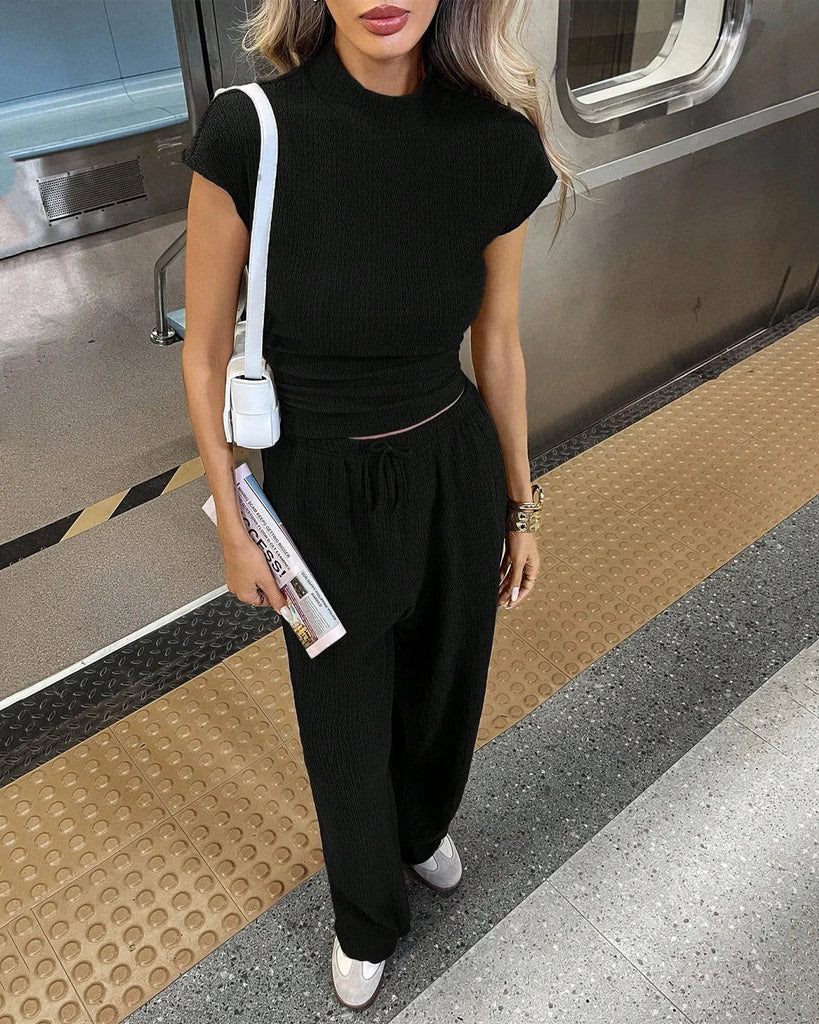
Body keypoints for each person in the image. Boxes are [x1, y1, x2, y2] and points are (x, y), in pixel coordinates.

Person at [181, 0, 569, 1011]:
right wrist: (231, 516)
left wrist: (522, 508)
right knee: (344, 719)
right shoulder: (249, 132)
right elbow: (205, 350)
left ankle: (420, 826)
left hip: (452, 467)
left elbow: (498, 345)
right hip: (314, 485)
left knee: (447, 690)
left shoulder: (493, 141)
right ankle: (366, 911)